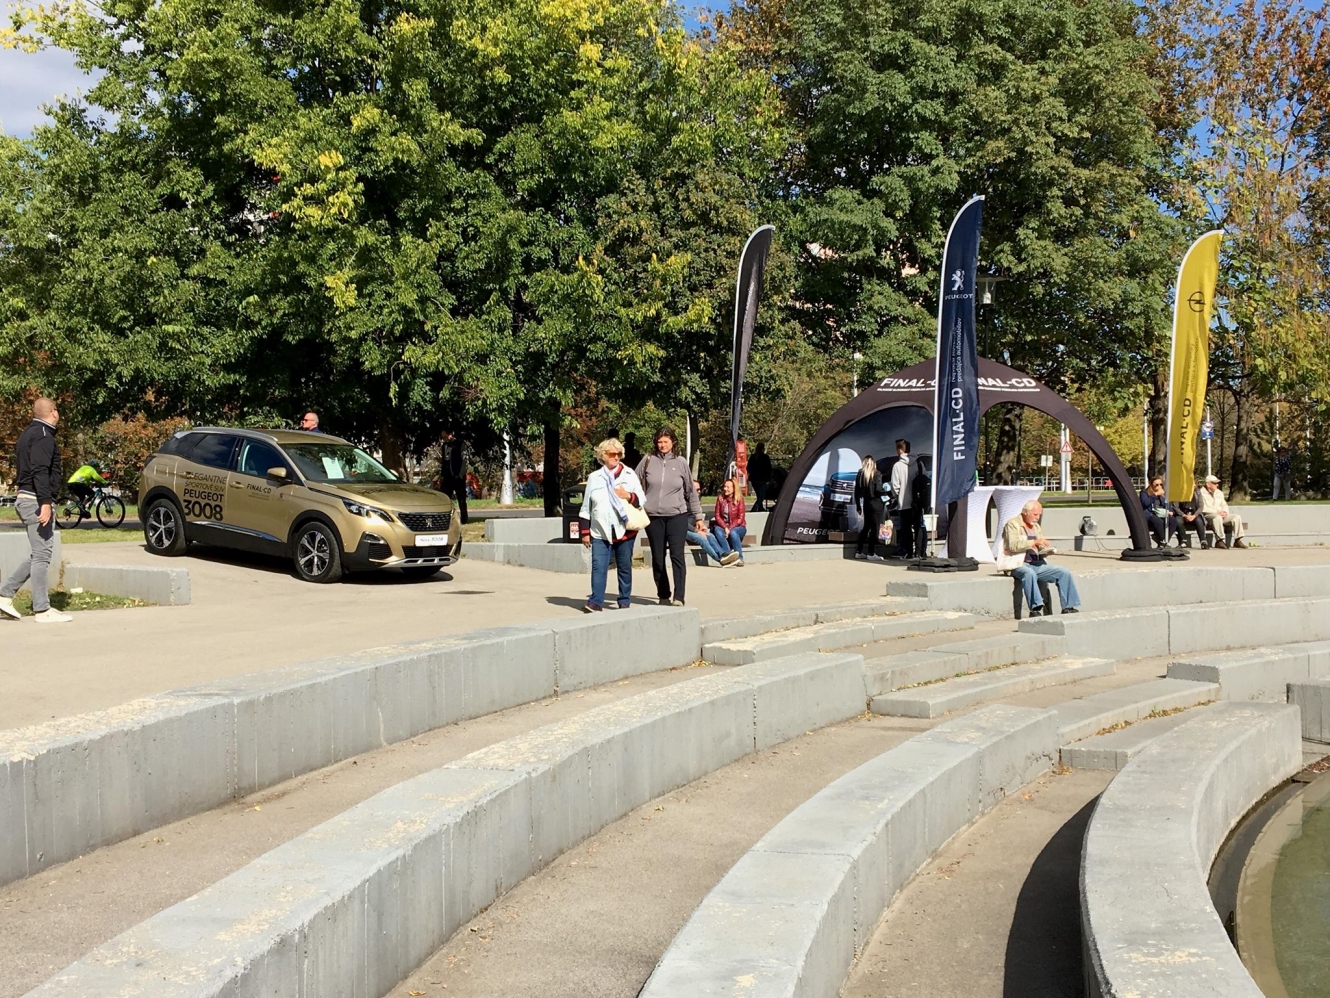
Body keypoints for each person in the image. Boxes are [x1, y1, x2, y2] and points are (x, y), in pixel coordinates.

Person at [0, 398, 71, 623]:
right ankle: (42, 609)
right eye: (57, 410)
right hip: (35, 501)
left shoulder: (28, 433)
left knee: (38, 553)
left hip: (28, 498)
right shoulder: (43, 435)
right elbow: (40, 470)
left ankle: (5, 595)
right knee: (42, 555)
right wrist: (46, 502)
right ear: (53, 412)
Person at [637, 427, 707, 606]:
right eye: (659, 442)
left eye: (665, 442)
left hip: (677, 516)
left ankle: (679, 596)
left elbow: (691, 492)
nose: (662, 445)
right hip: (653, 517)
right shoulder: (648, 460)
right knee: (658, 558)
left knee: (677, 555)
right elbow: (633, 483)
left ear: (673, 442)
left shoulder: (681, 462)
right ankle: (663, 594)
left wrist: (698, 517)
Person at [577, 438, 646, 612]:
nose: (616, 457)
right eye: (612, 454)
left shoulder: (629, 474)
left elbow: (642, 500)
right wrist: (585, 532)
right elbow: (586, 507)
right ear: (603, 456)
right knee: (598, 567)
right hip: (600, 531)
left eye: (619, 454)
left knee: (624, 567)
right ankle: (595, 602)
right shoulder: (594, 478)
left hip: (625, 531)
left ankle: (624, 600)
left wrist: (628, 495)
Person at [1002, 500, 1081, 616]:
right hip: (1017, 564)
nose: (1037, 517)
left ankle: (1068, 606)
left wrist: (1045, 551)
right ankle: (1035, 609)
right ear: (1025, 512)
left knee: (1063, 572)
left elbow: (1039, 546)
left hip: (1036, 563)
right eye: (1035, 514)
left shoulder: (1036, 527)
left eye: (1039, 515)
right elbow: (1012, 545)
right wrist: (1034, 542)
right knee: (1029, 573)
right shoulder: (1013, 524)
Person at [1197, 475, 1247, 548]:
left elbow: (1224, 504)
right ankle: (1219, 540)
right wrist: (1216, 512)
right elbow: (1202, 508)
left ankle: (1238, 540)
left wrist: (1225, 512)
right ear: (1208, 484)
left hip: (1221, 514)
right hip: (1208, 516)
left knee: (1236, 517)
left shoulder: (1219, 493)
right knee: (1217, 518)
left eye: (1217, 483)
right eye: (1214, 483)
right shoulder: (1200, 493)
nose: (1217, 485)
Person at [890, 440, 919, 558]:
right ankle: (920, 551)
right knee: (918, 526)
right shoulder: (918, 463)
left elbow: (895, 485)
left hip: (904, 502)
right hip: (917, 501)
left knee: (905, 527)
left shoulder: (897, 466)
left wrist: (897, 496)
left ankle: (907, 551)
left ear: (900, 450)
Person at [854, 455, 886, 561]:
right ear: (873, 463)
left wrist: (858, 506)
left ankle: (859, 551)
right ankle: (871, 552)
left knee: (866, 527)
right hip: (876, 503)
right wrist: (887, 493)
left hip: (866, 503)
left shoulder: (860, 474)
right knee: (875, 528)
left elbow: (856, 491)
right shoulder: (876, 473)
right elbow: (878, 489)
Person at [712, 477, 748, 565]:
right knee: (717, 530)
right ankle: (728, 555)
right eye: (724, 486)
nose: (725, 489)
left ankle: (739, 558)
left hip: (738, 526)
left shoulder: (739, 499)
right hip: (723, 526)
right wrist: (725, 527)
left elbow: (740, 518)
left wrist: (730, 528)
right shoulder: (720, 498)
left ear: (734, 488)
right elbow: (717, 516)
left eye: (728, 487)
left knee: (733, 533)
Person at [1139, 476, 1180, 548]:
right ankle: (1162, 541)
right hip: (1150, 514)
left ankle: (1164, 541)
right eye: (1156, 485)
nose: (1159, 486)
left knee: (1173, 521)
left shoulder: (1163, 493)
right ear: (1151, 485)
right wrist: (1155, 495)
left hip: (1162, 513)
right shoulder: (1144, 492)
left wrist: (1170, 511)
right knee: (1158, 521)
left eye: (1161, 484)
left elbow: (1168, 505)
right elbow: (1145, 503)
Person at [441, 430, 469, 525]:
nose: (444, 439)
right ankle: (445, 518)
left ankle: (464, 518)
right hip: (447, 477)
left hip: (458, 476)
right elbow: (444, 461)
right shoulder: (444, 446)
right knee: (445, 498)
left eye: (445, 437)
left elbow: (464, 461)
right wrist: (442, 475)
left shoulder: (461, 444)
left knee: (461, 498)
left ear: (451, 434)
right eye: (443, 437)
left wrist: (460, 475)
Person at [749, 443, 773, 512]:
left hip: (754, 479)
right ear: (763, 448)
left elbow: (748, 468)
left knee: (759, 494)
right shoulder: (765, 457)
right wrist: (769, 478)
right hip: (762, 479)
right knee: (761, 496)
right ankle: (755, 507)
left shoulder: (753, 457)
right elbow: (769, 468)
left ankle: (760, 507)